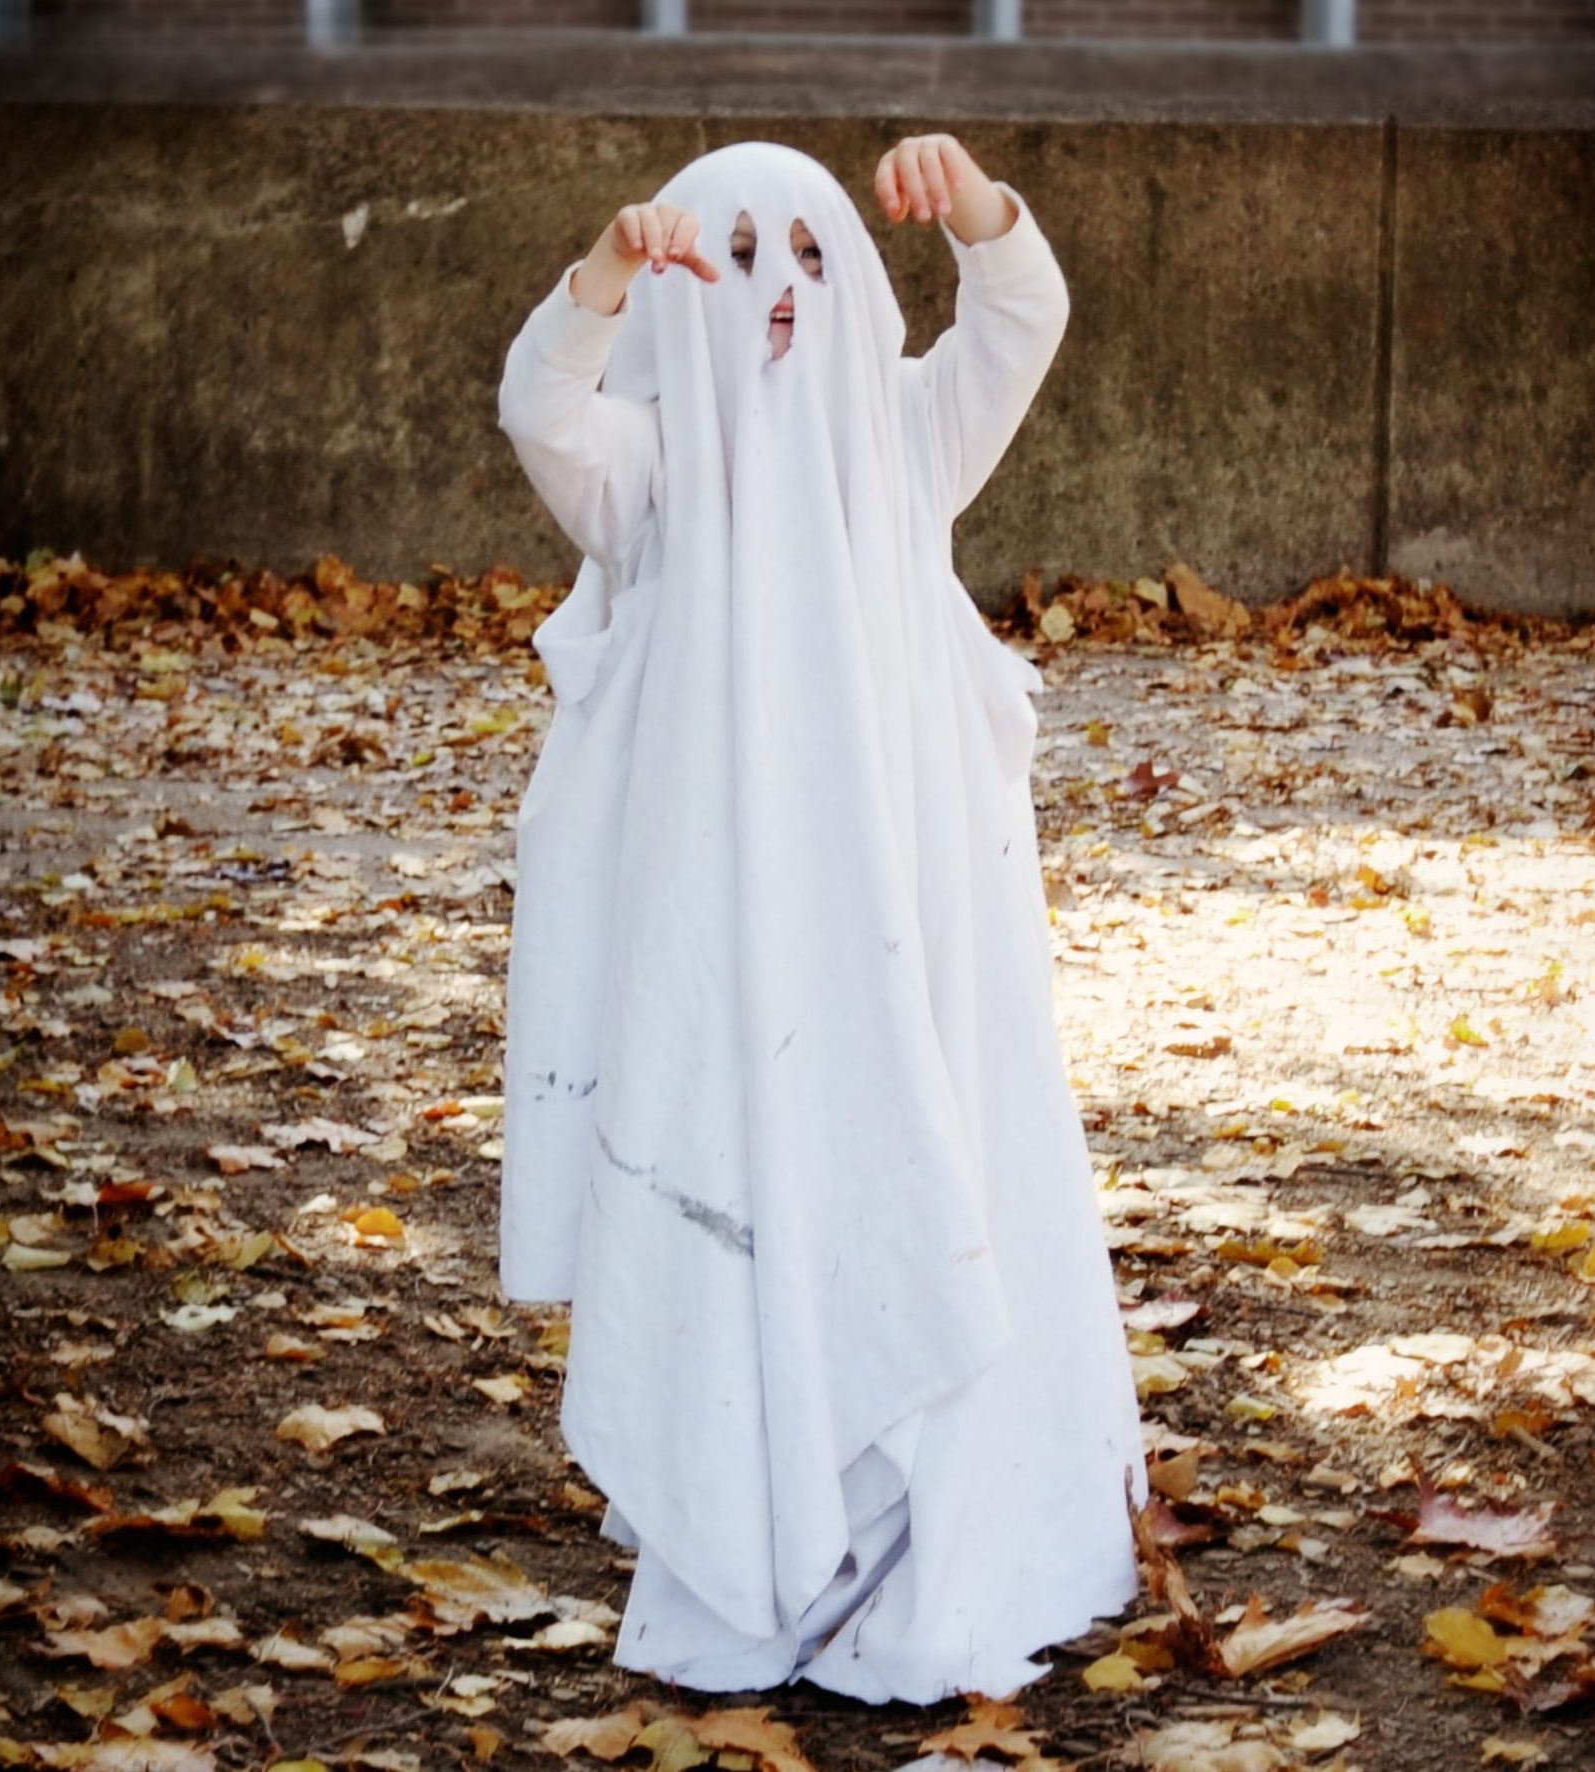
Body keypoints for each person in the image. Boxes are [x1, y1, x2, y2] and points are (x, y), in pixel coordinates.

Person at [494, 134, 1146, 1706]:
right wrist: (605, 274)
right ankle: (753, 1519)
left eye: (808, 253)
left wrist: (972, 204)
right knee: (756, 1180)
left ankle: (913, 1517)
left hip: (902, 934)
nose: (779, 286)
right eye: (735, 258)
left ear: (852, 275)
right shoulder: (653, 479)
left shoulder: (907, 439)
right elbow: (541, 408)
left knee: (901, 1168)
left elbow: (1019, 316)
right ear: (684, 299)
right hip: (736, 949)